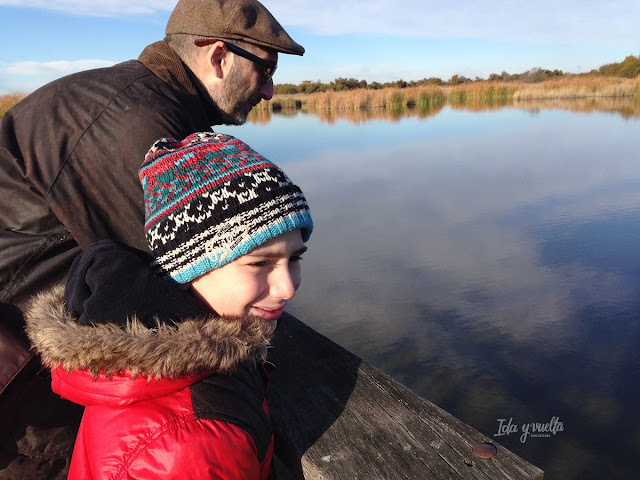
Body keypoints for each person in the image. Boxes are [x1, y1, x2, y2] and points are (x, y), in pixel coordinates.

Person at [0, 0, 304, 475]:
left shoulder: (142, 102)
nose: (268, 90)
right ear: (220, 56)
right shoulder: (136, 124)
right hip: (25, 381)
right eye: (264, 69)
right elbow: (185, 281)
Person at [23, 132, 313, 479]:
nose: (288, 287)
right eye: (258, 263)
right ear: (189, 266)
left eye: (294, 258)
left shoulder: (162, 342)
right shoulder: (190, 446)